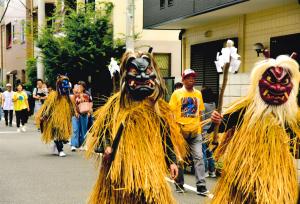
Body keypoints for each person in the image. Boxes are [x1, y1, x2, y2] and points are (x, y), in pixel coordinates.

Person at [85, 51, 187, 203]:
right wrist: (107, 147)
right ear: (126, 76)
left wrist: (172, 161)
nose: (142, 78)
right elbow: (104, 130)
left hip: (150, 166)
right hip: (122, 166)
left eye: (147, 72)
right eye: (134, 72)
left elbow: (165, 137)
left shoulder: (157, 107)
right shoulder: (116, 105)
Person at [209, 54, 300, 203]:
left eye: (284, 82)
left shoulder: (290, 118)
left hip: (276, 175)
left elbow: (295, 148)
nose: (277, 88)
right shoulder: (245, 109)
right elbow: (222, 126)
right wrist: (216, 121)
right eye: (271, 80)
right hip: (243, 173)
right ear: (258, 83)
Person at [169, 68, 209, 196]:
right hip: (180, 132)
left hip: (195, 132)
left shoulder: (198, 94)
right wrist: (173, 129)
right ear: (183, 80)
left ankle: (201, 186)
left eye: (193, 78)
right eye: (188, 78)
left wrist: (202, 129)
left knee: (199, 157)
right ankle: (179, 184)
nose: (191, 80)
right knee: (180, 159)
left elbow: (201, 112)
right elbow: (170, 112)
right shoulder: (177, 94)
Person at [35, 75, 74, 157]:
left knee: (62, 134)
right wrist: (44, 115)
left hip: (64, 119)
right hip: (54, 118)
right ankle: (60, 150)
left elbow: (70, 108)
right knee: (57, 132)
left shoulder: (67, 97)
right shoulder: (53, 95)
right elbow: (48, 106)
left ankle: (57, 146)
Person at [71, 81, 93, 151]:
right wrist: (75, 112)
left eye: (80, 86)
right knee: (75, 129)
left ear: (83, 87)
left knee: (84, 130)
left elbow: (88, 103)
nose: (78, 88)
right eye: (78, 86)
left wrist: (89, 111)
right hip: (76, 114)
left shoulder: (86, 94)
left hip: (84, 114)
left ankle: (84, 144)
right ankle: (74, 145)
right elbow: (73, 103)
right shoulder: (74, 95)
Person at [201, 86, 216, 178]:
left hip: (204, 130)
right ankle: (212, 171)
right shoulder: (213, 104)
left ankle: (205, 171)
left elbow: (202, 119)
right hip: (211, 130)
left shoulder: (203, 105)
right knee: (210, 151)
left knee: (203, 152)